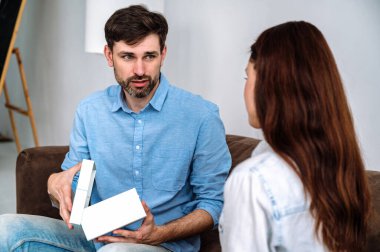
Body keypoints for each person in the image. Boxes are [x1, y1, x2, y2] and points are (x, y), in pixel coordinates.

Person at [0, 5, 231, 252]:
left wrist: (158, 233)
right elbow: (74, 182)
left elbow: (213, 204)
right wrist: (55, 184)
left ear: (163, 54)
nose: (140, 70)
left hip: (162, 243)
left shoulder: (201, 116)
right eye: (128, 56)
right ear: (109, 56)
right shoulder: (90, 110)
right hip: (93, 236)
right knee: (5, 228)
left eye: (149, 56)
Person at [219, 21, 371, 252]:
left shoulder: (252, 180)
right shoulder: (344, 169)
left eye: (247, 77)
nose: (246, 88)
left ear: (268, 84)